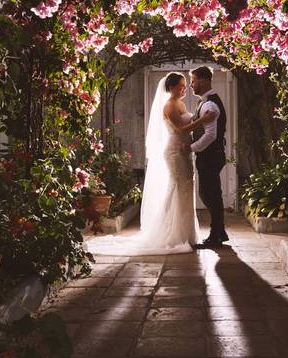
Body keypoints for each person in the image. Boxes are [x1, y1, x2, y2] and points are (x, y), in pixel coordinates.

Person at [86, 72, 215, 255]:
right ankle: (172, 234)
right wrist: (203, 120)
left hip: (184, 150)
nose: (185, 88)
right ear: (171, 87)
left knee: (187, 188)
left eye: (186, 84)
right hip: (174, 151)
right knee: (178, 188)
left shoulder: (181, 103)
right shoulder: (169, 106)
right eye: (181, 85)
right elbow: (181, 128)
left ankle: (187, 234)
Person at [185, 66, 229, 249]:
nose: (191, 85)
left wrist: (191, 148)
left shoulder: (209, 104)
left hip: (210, 155)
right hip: (211, 155)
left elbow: (210, 135)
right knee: (210, 194)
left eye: (193, 81)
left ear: (203, 80)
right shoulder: (205, 102)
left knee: (210, 194)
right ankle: (219, 233)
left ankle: (216, 236)